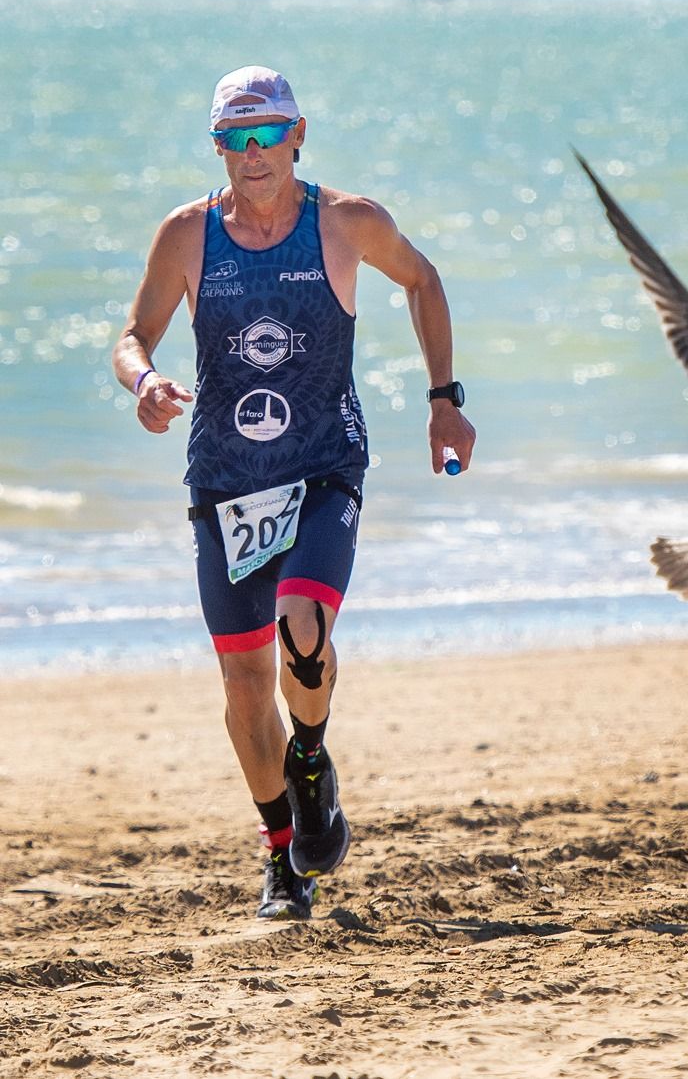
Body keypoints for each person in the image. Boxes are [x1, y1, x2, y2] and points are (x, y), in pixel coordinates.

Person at [113, 66, 477, 920]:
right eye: (235, 139)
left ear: (297, 134)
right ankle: (284, 861)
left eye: (266, 135)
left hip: (323, 465)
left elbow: (422, 281)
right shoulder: (187, 235)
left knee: (301, 631)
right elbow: (135, 335)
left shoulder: (347, 223)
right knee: (244, 687)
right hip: (224, 479)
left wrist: (443, 401)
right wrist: (143, 383)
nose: (253, 154)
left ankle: (310, 760)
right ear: (217, 148)